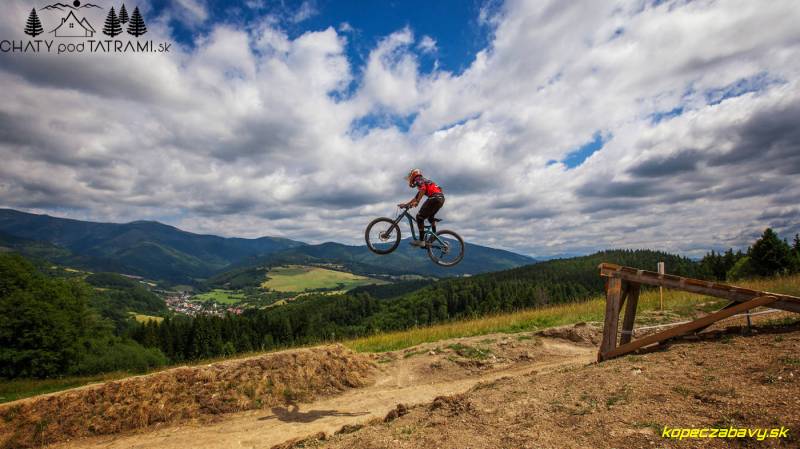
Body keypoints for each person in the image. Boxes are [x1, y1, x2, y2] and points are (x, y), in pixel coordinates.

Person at [398, 168, 445, 247]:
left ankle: (421, 241)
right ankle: (434, 236)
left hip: (434, 198)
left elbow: (423, 190)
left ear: (413, 175)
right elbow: (416, 197)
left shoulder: (418, 179)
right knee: (430, 217)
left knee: (419, 217)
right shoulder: (424, 181)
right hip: (441, 199)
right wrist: (406, 204)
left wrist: (417, 202)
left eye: (410, 177)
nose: (410, 179)